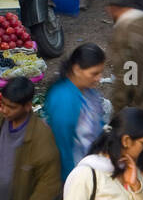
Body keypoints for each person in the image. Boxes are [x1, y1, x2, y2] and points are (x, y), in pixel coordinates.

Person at [44, 44, 108, 173]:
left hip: (92, 162)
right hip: (77, 170)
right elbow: (63, 147)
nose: (99, 78)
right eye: (94, 73)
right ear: (77, 70)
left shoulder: (88, 92)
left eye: (100, 73)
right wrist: (71, 178)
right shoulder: (63, 99)